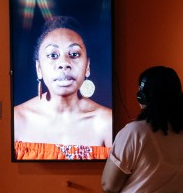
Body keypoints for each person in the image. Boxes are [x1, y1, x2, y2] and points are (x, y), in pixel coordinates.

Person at [13, 16, 112, 160]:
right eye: (53, 55)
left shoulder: (106, 122)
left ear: (87, 66)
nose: (64, 63)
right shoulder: (17, 119)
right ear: (38, 68)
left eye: (74, 54)